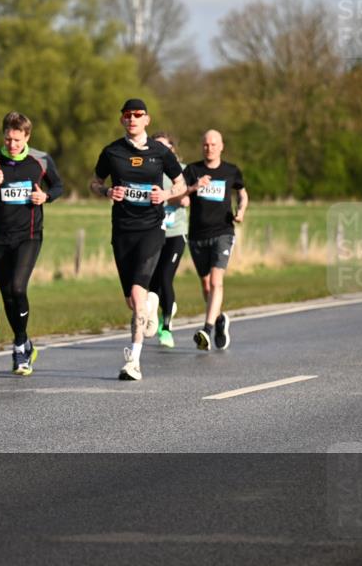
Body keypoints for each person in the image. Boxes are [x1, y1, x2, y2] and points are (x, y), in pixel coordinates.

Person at [90, 99, 185, 380]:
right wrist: (107, 192)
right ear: (122, 120)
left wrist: (165, 195)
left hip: (152, 229)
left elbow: (180, 183)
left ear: (147, 120)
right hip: (122, 231)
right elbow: (93, 182)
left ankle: (134, 360)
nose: (132, 119)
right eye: (128, 115)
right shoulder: (112, 152)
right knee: (133, 302)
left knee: (136, 292)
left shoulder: (159, 152)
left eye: (138, 115)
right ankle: (148, 308)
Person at [0, 112, 64, 375]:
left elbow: (59, 186)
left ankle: (18, 349)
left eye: (17, 139)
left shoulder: (39, 160)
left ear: (27, 136)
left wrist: (46, 197)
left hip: (29, 236)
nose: (12, 144)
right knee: (7, 295)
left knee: (18, 287)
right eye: (8, 139)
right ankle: (25, 341)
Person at [182, 130, 248, 350]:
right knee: (205, 285)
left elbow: (242, 193)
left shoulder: (231, 170)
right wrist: (192, 189)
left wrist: (241, 211)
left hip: (223, 232)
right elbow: (181, 194)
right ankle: (219, 320)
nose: (209, 148)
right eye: (205, 145)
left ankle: (206, 330)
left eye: (213, 144)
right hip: (197, 235)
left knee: (215, 282)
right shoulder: (193, 170)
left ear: (221, 146)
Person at [147, 132, 189, 348]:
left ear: (173, 149)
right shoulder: (147, 170)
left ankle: (166, 328)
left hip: (175, 232)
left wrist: (167, 196)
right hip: (153, 232)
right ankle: (156, 313)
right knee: (152, 279)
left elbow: (186, 199)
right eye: (157, 146)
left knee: (165, 277)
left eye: (165, 147)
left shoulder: (181, 169)